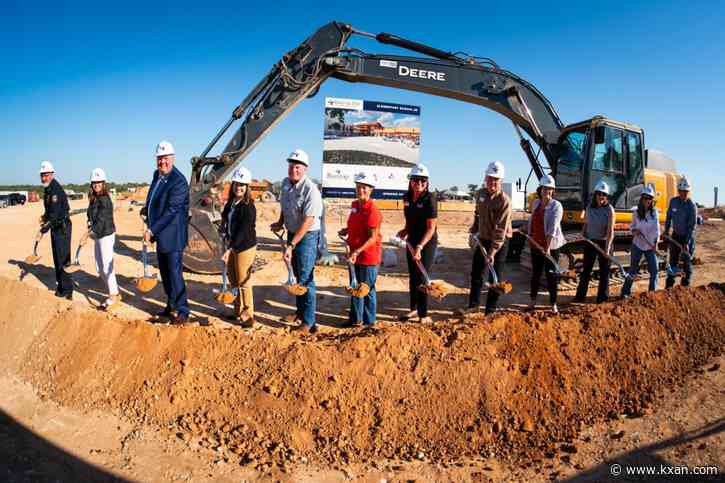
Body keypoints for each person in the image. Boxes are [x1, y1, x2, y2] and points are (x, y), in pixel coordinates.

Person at [271, 149, 323, 334]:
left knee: (305, 278)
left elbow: (309, 221)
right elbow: (285, 206)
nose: (294, 168)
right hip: (292, 232)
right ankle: (300, 313)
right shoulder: (285, 183)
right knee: (295, 275)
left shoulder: (311, 190)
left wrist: (292, 245)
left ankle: (309, 322)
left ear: (305, 169)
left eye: (298, 166)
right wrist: (279, 222)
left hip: (307, 236)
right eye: (292, 165)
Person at [143, 141, 190, 324]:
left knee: (174, 273)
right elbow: (153, 198)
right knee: (165, 272)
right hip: (161, 235)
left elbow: (171, 211)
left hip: (173, 235)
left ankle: (183, 311)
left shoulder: (178, 181)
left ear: (173, 159)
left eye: (166, 158)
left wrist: (152, 229)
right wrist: (146, 211)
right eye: (160, 158)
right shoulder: (157, 175)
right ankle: (171, 306)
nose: (163, 162)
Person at [460, 161, 512, 315]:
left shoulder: (504, 201)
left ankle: (490, 311)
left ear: (501, 181)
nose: (492, 183)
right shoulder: (481, 194)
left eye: (495, 180)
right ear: (485, 178)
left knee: (494, 277)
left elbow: (500, 229)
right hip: (483, 238)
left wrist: (492, 252)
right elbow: (477, 213)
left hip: (500, 241)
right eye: (489, 179)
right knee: (476, 273)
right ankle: (473, 306)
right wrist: (475, 227)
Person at [339, 172, 382, 328]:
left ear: (370, 190)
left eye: (364, 187)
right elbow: (356, 225)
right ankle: (355, 320)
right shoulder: (354, 205)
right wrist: (346, 230)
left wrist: (357, 251)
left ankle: (369, 323)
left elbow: (373, 237)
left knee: (366, 289)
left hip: (368, 257)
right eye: (358, 187)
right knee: (354, 287)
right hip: (354, 255)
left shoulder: (373, 211)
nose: (361, 190)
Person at [397, 164, 438, 323]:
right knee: (413, 276)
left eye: (423, 180)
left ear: (427, 182)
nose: (419, 183)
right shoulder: (406, 197)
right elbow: (410, 218)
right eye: (415, 180)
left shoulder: (430, 199)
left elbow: (431, 228)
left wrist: (420, 247)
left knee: (422, 277)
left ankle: (423, 314)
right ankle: (413, 309)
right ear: (410, 181)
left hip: (426, 242)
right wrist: (406, 229)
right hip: (412, 240)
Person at [220, 166, 257, 327]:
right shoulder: (231, 203)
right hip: (232, 245)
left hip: (244, 247)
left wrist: (230, 249)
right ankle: (237, 312)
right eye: (236, 184)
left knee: (243, 281)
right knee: (233, 279)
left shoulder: (248, 206)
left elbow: (243, 232)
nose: (239, 187)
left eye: (242, 185)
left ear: (247, 187)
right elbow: (225, 220)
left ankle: (248, 316)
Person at [527, 174, 566, 313]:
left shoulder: (557, 206)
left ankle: (553, 304)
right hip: (535, 244)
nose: (547, 191)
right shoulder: (536, 203)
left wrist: (547, 248)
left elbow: (552, 229)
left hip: (551, 246)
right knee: (535, 274)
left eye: (550, 189)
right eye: (545, 188)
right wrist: (528, 233)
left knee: (551, 275)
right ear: (540, 189)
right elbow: (533, 220)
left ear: (553, 190)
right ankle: (532, 302)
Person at [574, 180, 615, 303]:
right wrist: (583, 233)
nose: (601, 197)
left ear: (606, 197)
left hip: (604, 242)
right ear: (595, 194)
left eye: (604, 195)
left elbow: (610, 231)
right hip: (591, 242)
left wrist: (606, 250)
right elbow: (586, 224)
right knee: (586, 270)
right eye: (599, 194)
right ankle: (580, 296)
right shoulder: (589, 207)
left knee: (604, 272)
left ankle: (602, 299)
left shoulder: (609, 209)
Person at [86, 168, 121, 309]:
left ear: (103, 183)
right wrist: (89, 224)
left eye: (99, 182)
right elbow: (90, 216)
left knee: (107, 266)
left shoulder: (105, 200)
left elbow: (101, 221)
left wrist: (88, 233)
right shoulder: (93, 199)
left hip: (106, 235)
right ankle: (114, 292)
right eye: (94, 182)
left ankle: (114, 295)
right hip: (97, 235)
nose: (96, 185)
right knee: (99, 267)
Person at [38, 161, 73, 300]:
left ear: (52, 174)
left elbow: (55, 215)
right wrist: (44, 217)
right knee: (57, 259)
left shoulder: (55, 191)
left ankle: (67, 290)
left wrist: (42, 230)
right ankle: (61, 287)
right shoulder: (48, 189)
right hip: (56, 227)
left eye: (46, 175)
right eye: (42, 175)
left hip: (62, 228)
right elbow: (50, 211)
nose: (44, 178)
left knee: (63, 259)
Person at [621, 184, 660, 298]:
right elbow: (631, 227)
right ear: (642, 199)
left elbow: (657, 230)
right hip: (637, 245)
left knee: (654, 270)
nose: (647, 200)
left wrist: (656, 243)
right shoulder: (636, 213)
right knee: (633, 270)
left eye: (650, 198)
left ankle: (652, 294)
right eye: (645, 198)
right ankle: (625, 292)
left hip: (650, 246)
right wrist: (635, 231)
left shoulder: (654, 213)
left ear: (652, 200)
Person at [664, 176, 697, 288]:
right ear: (678, 191)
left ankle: (684, 288)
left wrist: (686, 243)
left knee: (686, 264)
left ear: (688, 191)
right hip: (675, 236)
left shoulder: (691, 206)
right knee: (672, 262)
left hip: (687, 238)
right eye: (681, 191)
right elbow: (668, 217)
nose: (683, 194)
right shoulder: (673, 202)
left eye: (686, 192)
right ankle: (669, 288)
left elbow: (692, 226)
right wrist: (666, 231)